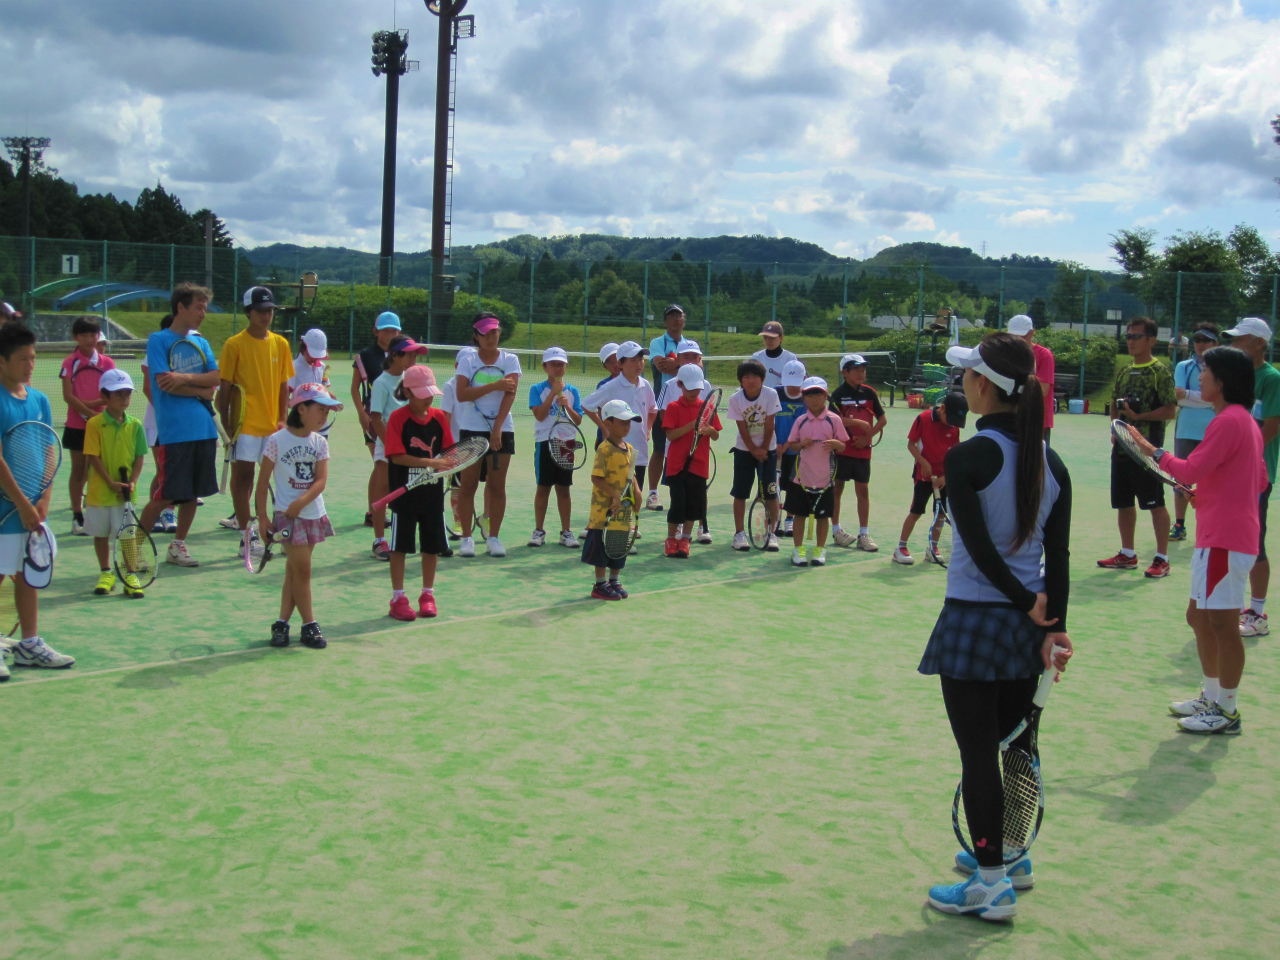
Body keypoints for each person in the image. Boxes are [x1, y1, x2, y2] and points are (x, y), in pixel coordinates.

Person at [919, 333, 1073, 921]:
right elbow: (1057, 558)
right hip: (1023, 631)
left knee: (979, 755)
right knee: (1017, 748)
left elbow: (980, 550)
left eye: (967, 375)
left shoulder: (967, 457)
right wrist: (1052, 624)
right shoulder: (1052, 462)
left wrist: (1028, 603)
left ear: (984, 385)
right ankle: (1012, 856)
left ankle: (989, 883)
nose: (962, 382)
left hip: (974, 623)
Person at [1123, 346, 1264, 735]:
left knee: (1223, 624)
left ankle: (1227, 710)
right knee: (1199, 617)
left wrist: (1150, 449)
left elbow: (1189, 470)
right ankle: (1212, 695)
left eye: (1206, 371)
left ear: (1222, 381)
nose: (1199, 378)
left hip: (1225, 541)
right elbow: (1258, 479)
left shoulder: (1228, 422)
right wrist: (1212, 495)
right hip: (1221, 536)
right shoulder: (1243, 421)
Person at [0, 322, 75, 676]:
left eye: (33, 358)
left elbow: (49, 450)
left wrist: (44, 497)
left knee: (27, 574)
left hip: (31, 508)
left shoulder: (40, 400)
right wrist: (22, 503)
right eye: (23, 359)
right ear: (2, 361)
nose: (31, 365)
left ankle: (29, 644)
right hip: (8, 508)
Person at [138, 283, 221, 567]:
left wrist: (184, 379)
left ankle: (177, 547)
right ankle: (133, 549)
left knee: (191, 496)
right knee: (166, 496)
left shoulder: (201, 343)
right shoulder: (158, 340)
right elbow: (164, 383)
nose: (203, 314)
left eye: (205, 308)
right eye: (198, 307)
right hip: (175, 433)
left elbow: (215, 379)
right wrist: (201, 389)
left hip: (204, 430)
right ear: (180, 307)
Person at [258, 383, 341, 649]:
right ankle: (309, 625)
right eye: (320, 410)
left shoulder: (320, 442)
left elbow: (321, 481)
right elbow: (262, 482)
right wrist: (263, 518)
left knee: (294, 572)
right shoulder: (276, 440)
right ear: (301, 409)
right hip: (286, 517)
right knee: (303, 571)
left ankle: (281, 624)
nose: (324, 416)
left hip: (313, 514)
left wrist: (301, 503)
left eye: (327, 412)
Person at [217, 286, 293, 561]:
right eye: (261, 310)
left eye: (270, 310)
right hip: (245, 427)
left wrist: (282, 419)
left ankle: (280, 532)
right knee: (244, 479)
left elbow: (284, 386)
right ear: (248, 312)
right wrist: (227, 424)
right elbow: (225, 389)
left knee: (282, 480)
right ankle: (246, 537)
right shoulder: (234, 344)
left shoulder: (281, 344)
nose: (266, 315)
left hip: (273, 428)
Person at [1097, 317, 1177, 578]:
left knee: (1155, 503)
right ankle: (1127, 554)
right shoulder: (1124, 371)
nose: (1130, 341)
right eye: (1128, 336)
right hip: (1121, 449)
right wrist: (1115, 429)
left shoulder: (1160, 372)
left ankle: (1162, 559)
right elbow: (1114, 403)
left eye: (1136, 336)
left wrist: (1140, 417)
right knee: (1123, 502)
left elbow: (1170, 410)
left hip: (1147, 453)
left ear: (1152, 340)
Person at [1221, 318, 1280, 638]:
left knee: (1255, 543)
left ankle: (1257, 612)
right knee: (1230, 541)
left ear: (1259, 343)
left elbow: (1271, 426)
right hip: (1231, 472)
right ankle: (1234, 606)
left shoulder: (1271, 379)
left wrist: (1241, 454)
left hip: (1257, 475)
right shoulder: (1236, 377)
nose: (1234, 344)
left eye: (1240, 339)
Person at [379, 365, 452, 621]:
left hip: (432, 497)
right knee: (400, 548)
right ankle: (398, 598)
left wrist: (448, 465)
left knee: (431, 548)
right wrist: (431, 462)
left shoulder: (439, 417)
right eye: (422, 393)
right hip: (404, 499)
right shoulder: (397, 418)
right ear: (408, 392)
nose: (428, 398)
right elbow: (396, 456)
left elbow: (448, 452)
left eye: (430, 393)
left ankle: (427, 595)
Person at [454, 313, 521, 558]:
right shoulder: (468, 361)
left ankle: (493, 537)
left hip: (503, 429)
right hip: (471, 428)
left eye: (494, 332)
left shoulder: (510, 360)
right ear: (476, 336)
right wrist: (494, 385)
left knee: (496, 486)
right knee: (468, 485)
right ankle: (467, 538)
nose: (491, 337)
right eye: (485, 334)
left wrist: (497, 428)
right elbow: (462, 394)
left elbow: (510, 394)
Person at [83, 369, 148, 598]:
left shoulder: (136, 425)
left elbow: (139, 457)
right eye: (118, 394)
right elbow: (93, 457)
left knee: (127, 535)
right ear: (104, 396)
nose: (124, 398)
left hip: (126, 494)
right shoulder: (94, 424)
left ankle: (130, 575)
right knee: (101, 534)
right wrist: (110, 482)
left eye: (127, 394)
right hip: (100, 493)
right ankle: (106, 573)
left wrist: (133, 482)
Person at [368, 336, 430, 560]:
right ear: (394, 355)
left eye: (415, 355)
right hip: (387, 446)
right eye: (409, 355)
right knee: (383, 491)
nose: (413, 359)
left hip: (410, 446)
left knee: (410, 494)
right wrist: (390, 446)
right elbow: (376, 418)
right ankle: (379, 540)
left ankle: (404, 537)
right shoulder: (382, 382)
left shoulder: (411, 380)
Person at [584, 341, 657, 528]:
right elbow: (587, 405)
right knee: (614, 491)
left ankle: (629, 526)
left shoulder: (646, 385)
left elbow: (653, 409)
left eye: (641, 359)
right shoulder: (611, 386)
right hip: (616, 451)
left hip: (638, 450)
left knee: (635, 492)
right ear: (621, 363)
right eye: (633, 360)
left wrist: (647, 429)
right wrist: (604, 428)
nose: (639, 363)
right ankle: (603, 527)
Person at [893, 392, 968, 565]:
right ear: (943, 408)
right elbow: (911, 445)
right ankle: (901, 548)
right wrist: (923, 463)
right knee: (916, 511)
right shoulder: (923, 419)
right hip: (923, 477)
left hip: (943, 479)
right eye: (951, 419)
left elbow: (955, 455)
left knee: (940, 514)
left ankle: (933, 548)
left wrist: (945, 477)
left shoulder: (954, 426)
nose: (953, 423)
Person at [59, 316, 116, 536]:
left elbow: (110, 395)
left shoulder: (107, 363)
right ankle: (77, 516)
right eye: (84, 335)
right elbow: (68, 396)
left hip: (102, 425)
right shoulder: (69, 362)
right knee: (79, 471)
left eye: (93, 334)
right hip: (77, 426)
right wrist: (91, 413)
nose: (90, 339)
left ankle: (99, 514)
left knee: (102, 470)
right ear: (75, 337)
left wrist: (93, 412)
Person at [654, 338, 714, 543]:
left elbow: (710, 421)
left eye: (694, 357)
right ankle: (676, 532)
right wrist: (688, 426)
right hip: (676, 453)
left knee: (698, 494)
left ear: (700, 359)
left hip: (699, 452)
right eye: (685, 356)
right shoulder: (669, 385)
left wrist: (704, 430)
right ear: (678, 359)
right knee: (679, 498)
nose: (690, 360)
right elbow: (664, 417)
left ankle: (701, 527)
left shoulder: (706, 385)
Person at [784, 377, 848, 567]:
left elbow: (843, 446)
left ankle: (820, 549)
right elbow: (792, 445)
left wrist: (836, 444)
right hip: (801, 478)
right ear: (804, 398)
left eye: (818, 394)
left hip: (825, 480)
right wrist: (801, 444)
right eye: (809, 395)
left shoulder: (834, 420)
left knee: (823, 517)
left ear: (826, 396)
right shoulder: (801, 421)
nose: (814, 399)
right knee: (799, 515)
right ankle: (798, 550)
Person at [582, 399, 641, 599]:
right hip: (603, 513)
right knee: (601, 548)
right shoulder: (604, 448)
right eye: (622, 421)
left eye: (629, 421)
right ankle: (600, 584)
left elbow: (631, 475)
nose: (627, 425)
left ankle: (614, 580)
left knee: (618, 546)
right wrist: (615, 495)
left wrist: (637, 491)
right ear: (607, 423)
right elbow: (596, 478)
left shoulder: (630, 449)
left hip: (623, 512)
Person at [662, 363, 722, 557]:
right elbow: (670, 435)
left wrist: (709, 430)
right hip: (677, 466)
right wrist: (691, 425)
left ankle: (685, 539)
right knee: (678, 505)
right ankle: (671, 539)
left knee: (693, 506)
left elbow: (716, 435)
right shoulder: (672, 407)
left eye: (697, 388)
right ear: (680, 385)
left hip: (699, 465)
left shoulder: (708, 409)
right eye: (689, 388)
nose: (694, 392)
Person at [828, 353, 886, 551]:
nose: (861, 373)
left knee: (863, 491)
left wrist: (866, 437)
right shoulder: (837, 394)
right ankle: (836, 530)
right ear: (844, 372)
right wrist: (856, 423)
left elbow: (882, 420)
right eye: (857, 370)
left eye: (863, 369)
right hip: (842, 450)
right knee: (837, 489)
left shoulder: (869, 393)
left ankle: (864, 534)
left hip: (863, 451)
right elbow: (833, 419)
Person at [351, 311, 403, 528]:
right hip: (375, 417)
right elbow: (355, 388)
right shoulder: (365, 355)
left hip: (397, 417)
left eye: (394, 331)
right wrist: (362, 414)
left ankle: (376, 510)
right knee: (381, 465)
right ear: (376, 332)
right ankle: (374, 512)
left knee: (384, 467)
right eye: (386, 331)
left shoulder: (402, 353)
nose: (390, 334)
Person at [528, 346, 583, 549]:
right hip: (545, 442)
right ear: (545, 367)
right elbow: (540, 415)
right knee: (543, 488)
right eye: (553, 364)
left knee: (563, 489)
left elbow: (578, 420)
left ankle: (566, 532)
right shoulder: (537, 389)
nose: (558, 368)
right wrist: (552, 394)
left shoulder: (573, 391)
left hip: (566, 444)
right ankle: (539, 531)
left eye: (561, 364)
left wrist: (566, 406)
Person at [1169, 324, 1220, 543]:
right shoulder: (1184, 366)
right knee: (1182, 479)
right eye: (1198, 340)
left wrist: (1188, 395)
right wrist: (1205, 399)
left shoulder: (1223, 369)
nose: (1201, 344)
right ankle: (1180, 525)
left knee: (1214, 481)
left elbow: (1218, 397)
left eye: (1206, 340)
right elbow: (1177, 396)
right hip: (1185, 430)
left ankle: (1212, 527)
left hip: (1213, 431)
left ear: (1215, 343)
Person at [726, 358, 781, 552]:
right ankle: (739, 534)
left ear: (763, 379)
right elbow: (742, 428)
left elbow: (770, 424)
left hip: (768, 451)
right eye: (746, 377)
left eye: (755, 376)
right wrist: (754, 450)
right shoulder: (735, 399)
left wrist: (764, 449)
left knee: (771, 493)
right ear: (741, 380)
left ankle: (771, 533)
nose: (751, 380)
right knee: (740, 493)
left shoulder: (771, 394)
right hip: (744, 451)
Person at [647, 305, 689, 510]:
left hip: (687, 405)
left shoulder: (689, 344)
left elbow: (697, 368)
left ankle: (682, 493)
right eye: (671, 316)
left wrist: (677, 365)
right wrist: (684, 366)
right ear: (665, 321)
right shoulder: (657, 343)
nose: (676, 319)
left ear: (684, 320)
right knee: (659, 449)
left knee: (685, 451)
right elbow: (661, 365)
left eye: (679, 315)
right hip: (662, 404)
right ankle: (652, 494)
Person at [141, 314, 178, 535]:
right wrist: (167, 412)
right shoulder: (153, 352)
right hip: (158, 422)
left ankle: (169, 511)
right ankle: (156, 513)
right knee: (163, 469)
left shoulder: (186, 351)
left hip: (179, 422)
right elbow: (148, 388)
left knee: (173, 470)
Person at [773, 359, 808, 537]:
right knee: (775, 486)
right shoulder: (775, 393)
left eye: (797, 383)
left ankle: (789, 519)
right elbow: (769, 419)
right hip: (775, 449)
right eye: (790, 383)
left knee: (794, 487)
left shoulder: (807, 397)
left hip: (796, 450)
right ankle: (775, 519)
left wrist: (788, 444)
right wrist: (774, 442)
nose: (793, 387)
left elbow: (803, 425)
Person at [1007, 314, 1054, 443]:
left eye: (1022, 335)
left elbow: (1043, 389)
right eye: (1013, 335)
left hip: (1038, 421)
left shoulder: (1044, 355)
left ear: (1031, 333)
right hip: (1012, 418)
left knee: (1038, 456)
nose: (1018, 339)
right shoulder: (1007, 354)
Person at [288, 328, 338, 437]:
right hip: (301, 428)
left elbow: (324, 391)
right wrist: (302, 401)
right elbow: (284, 399)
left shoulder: (322, 367)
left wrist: (329, 397)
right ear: (304, 348)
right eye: (313, 355)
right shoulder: (293, 367)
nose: (316, 359)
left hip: (321, 428)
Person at [583, 342, 621, 450]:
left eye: (617, 359)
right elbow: (599, 411)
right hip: (606, 439)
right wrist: (604, 429)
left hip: (628, 438)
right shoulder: (603, 385)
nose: (615, 364)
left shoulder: (636, 382)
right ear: (605, 366)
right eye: (610, 362)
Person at [751, 321, 799, 389]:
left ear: (781, 338)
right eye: (765, 337)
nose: (768, 341)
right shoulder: (756, 357)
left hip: (781, 395)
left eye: (772, 338)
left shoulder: (790, 358)